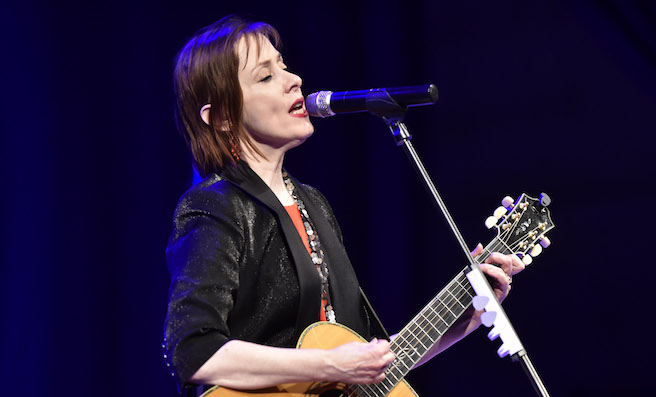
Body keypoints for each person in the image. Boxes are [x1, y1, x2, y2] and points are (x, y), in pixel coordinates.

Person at [162, 14, 525, 396]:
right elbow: (193, 351)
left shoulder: (313, 204)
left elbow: (373, 359)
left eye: (284, 66)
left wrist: (467, 311)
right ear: (220, 117)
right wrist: (331, 364)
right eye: (266, 76)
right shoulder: (215, 206)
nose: (295, 80)